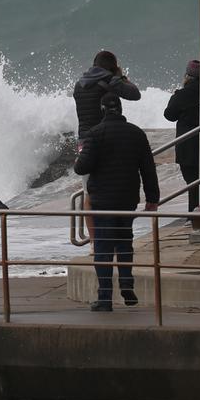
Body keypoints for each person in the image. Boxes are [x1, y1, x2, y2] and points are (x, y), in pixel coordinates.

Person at [73, 94, 158, 313]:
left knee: (103, 247)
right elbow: (148, 168)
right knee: (124, 241)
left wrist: (81, 154)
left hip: (103, 200)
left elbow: (82, 168)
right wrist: (152, 198)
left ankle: (105, 298)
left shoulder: (95, 134)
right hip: (127, 197)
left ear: (102, 110)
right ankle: (127, 285)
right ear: (120, 108)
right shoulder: (136, 133)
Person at [74, 50, 141, 140]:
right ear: (112, 67)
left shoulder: (79, 85)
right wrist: (121, 77)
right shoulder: (110, 80)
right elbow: (135, 95)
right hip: (105, 138)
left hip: (84, 139)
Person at [162, 60, 200, 211]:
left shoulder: (182, 94)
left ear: (187, 76)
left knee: (192, 183)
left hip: (188, 145)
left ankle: (193, 215)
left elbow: (169, 115)